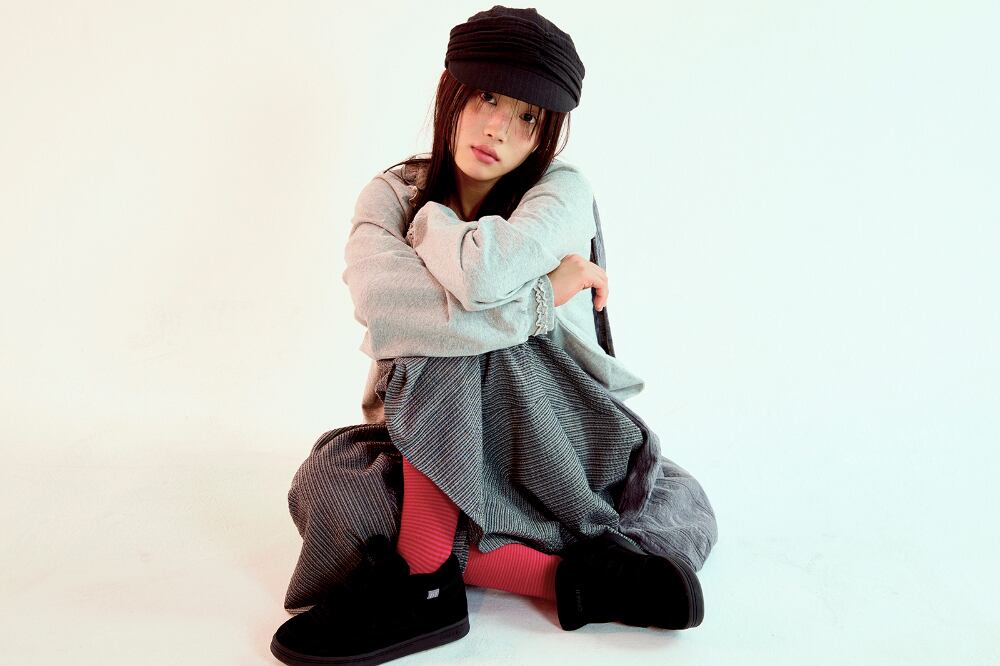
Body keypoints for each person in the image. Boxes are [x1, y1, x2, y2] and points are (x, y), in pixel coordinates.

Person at [270, 6, 717, 666]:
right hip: (438, 436)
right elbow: (385, 308)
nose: (499, 129)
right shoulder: (390, 193)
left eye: (527, 117)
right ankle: (567, 580)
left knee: (447, 341)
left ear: (544, 135)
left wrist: (432, 228)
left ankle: (424, 578)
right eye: (487, 98)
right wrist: (543, 296)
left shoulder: (560, 191)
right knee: (329, 484)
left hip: (558, 437)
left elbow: (483, 276)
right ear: (451, 94)